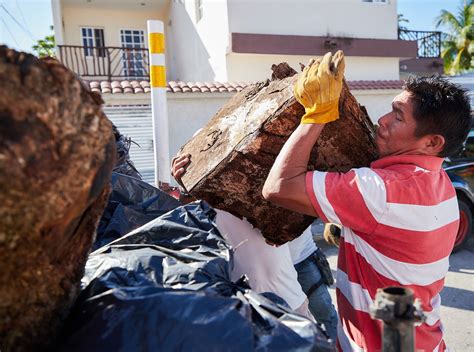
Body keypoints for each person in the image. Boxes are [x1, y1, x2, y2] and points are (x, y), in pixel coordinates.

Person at [262, 50, 471, 351]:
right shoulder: (442, 185)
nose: (382, 120)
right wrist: (361, 233)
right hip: (417, 336)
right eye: (390, 109)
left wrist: (316, 115)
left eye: (398, 116)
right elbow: (400, 291)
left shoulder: (381, 191)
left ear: (432, 142)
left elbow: (278, 187)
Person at [171, 154, 312, 319]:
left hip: (291, 301)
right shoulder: (207, 204)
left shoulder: (266, 191)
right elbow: (190, 222)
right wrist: (185, 187)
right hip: (248, 311)